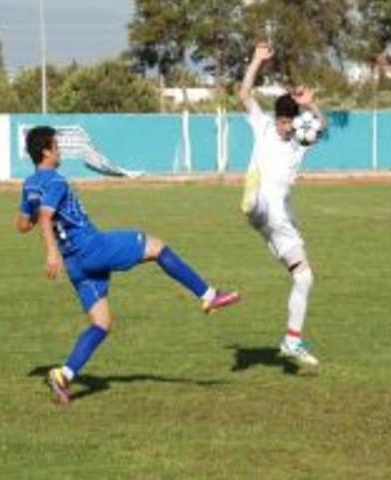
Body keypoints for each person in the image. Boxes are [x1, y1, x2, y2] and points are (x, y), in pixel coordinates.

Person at [17, 126, 241, 404]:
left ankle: (63, 375)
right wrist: (51, 252)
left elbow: (23, 224)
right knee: (157, 247)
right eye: (57, 146)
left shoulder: (29, 185)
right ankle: (208, 296)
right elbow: (47, 217)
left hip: (76, 263)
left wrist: (43, 224)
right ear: (47, 151)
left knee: (101, 323)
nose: (60, 151)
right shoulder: (57, 181)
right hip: (91, 247)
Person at [239, 42, 326, 367]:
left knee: (303, 277)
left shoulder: (301, 137)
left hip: (278, 219)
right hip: (267, 210)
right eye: (283, 121)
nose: (287, 127)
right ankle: (254, 199)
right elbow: (245, 94)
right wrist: (257, 61)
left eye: (292, 121)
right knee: (265, 203)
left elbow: (323, 127)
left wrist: (312, 104)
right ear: (276, 118)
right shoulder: (263, 126)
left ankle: (292, 339)